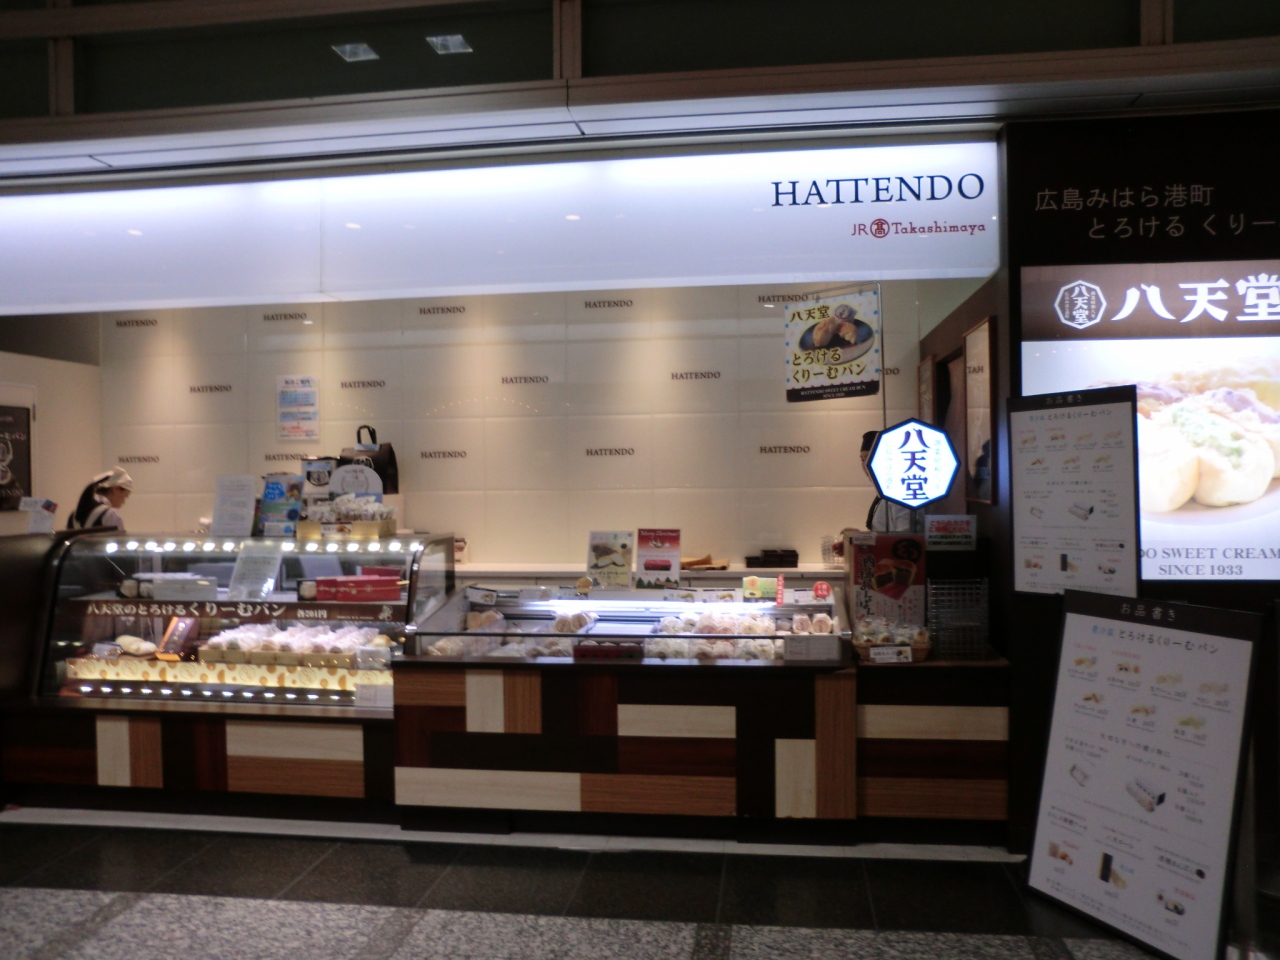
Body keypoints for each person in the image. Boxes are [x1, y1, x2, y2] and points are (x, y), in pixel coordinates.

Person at [860, 431, 914, 532]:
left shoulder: (901, 494)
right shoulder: (885, 492)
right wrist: (859, 537)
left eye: (868, 457)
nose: (865, 465)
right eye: (862, 460)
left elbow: (906, 537)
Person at [68, 467, 133, 531]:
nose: (123, 502)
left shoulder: (74, 515)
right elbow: (120, 537)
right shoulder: (111, 515)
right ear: (116, 489)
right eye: (125, 496)